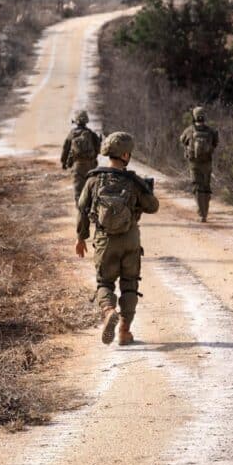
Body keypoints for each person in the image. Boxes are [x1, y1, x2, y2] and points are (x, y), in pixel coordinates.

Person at [76, 132, 160, 346]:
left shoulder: (93, 179)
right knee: (129, 284)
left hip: (105, 241)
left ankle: (108, 310)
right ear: (124, 154)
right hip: (130, 239)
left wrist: (81, 237)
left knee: (104, 282)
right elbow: (153, 207)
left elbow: (83, 209)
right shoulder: (133, 181)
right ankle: (124, 330)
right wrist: (144, 192)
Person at [180, 106, 219, 222]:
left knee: (197, 187)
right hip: (207, 163)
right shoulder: (211, 131)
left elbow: (182, 140)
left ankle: (201, 213)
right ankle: (205, 212)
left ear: (194, 116)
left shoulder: (189, 130)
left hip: (194, 163)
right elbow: (215, 143)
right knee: (206, 186)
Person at [61, 110, 102, 201]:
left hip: (78, 166)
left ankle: (81, 211)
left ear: (75, 121)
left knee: (78, 191)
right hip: (91, 166)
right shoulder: (91, 134)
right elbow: (98, 150)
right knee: (91, 190)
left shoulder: (72, 134)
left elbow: (65, 149)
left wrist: (64, 163)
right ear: (86, 120)